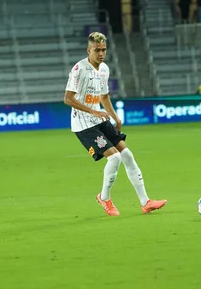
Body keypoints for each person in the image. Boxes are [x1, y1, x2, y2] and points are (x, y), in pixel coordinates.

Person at [63, 32, 167, 216]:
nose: (101, 54)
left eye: (103, 50)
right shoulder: (79, 69)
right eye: (97, 50)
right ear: (89, 50)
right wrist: (94, 111)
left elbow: (104, 96)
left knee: (127, 154)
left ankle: (146, 202)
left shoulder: (104, 69)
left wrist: (115, 116)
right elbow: (68, 99)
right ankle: (104, 198)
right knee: (115, 157)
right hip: (83, 125)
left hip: (100, 119)